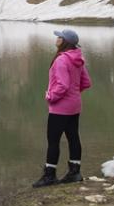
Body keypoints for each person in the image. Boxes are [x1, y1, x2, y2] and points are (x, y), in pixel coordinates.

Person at [32, 28, 92, 187]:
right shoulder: (78, 59)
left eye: (59, 37)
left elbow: (63, 85)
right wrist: (74, 94)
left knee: (53, 141)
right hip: (75, 105)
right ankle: (75, 172)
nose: (57, 38)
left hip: (60, 108)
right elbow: (86, 82)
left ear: (64, 41)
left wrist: (51, 96)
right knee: (73, 137)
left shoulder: (61, 60)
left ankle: (49, 176)